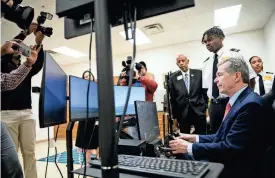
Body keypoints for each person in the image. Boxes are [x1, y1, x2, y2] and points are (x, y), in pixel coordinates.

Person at [169, 57, 266, 178]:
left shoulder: (250, 106)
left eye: (219, 75)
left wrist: (188, 147)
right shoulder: (240, 101)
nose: (215, 80)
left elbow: (229, 148)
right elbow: (221, 136)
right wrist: (193, 138)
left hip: (235, 170)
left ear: (236, 76)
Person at [1, 26, 45, 178]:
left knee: (30, 153)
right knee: (11, 156)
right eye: (17, 50)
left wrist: (39, 44)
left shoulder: (24, 69)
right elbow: (10, 45)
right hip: (7, 115)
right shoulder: (3, 66)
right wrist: (24, 33)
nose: (19, 52)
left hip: (26, 114)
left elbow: (37, 63)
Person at [201, 26, 256, 133]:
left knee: (235, 133)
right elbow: (206, 88)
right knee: (216, 135)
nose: (207, 43)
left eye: (210, 39)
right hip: (214, 105)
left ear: (221, 37)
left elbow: (251, 78)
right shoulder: (206, 62)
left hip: (233, 102)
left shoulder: (234, 54)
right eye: (205, 42)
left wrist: (245, 99)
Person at [169, 54, 208, 134]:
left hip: (198, 111)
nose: (181, 63)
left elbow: (205, 93)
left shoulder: (199, 74)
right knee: (185, 137)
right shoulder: (173, 78)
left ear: (188, 61)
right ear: (177, 64)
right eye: (178, 62)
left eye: (183, 60)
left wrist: (206, 108)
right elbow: (173, 99)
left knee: (201, 135)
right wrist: (175, 117)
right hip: (183, 113)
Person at [75, 71, 99, 163]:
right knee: (86, 145)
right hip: (85, 120)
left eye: (89, 75)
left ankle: (98, 161)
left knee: (98, 143)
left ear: (93, 77)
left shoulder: (98, 88)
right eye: (85, 77)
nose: (87, 77)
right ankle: (87, 164)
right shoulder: (81, 90)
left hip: (96, 119)